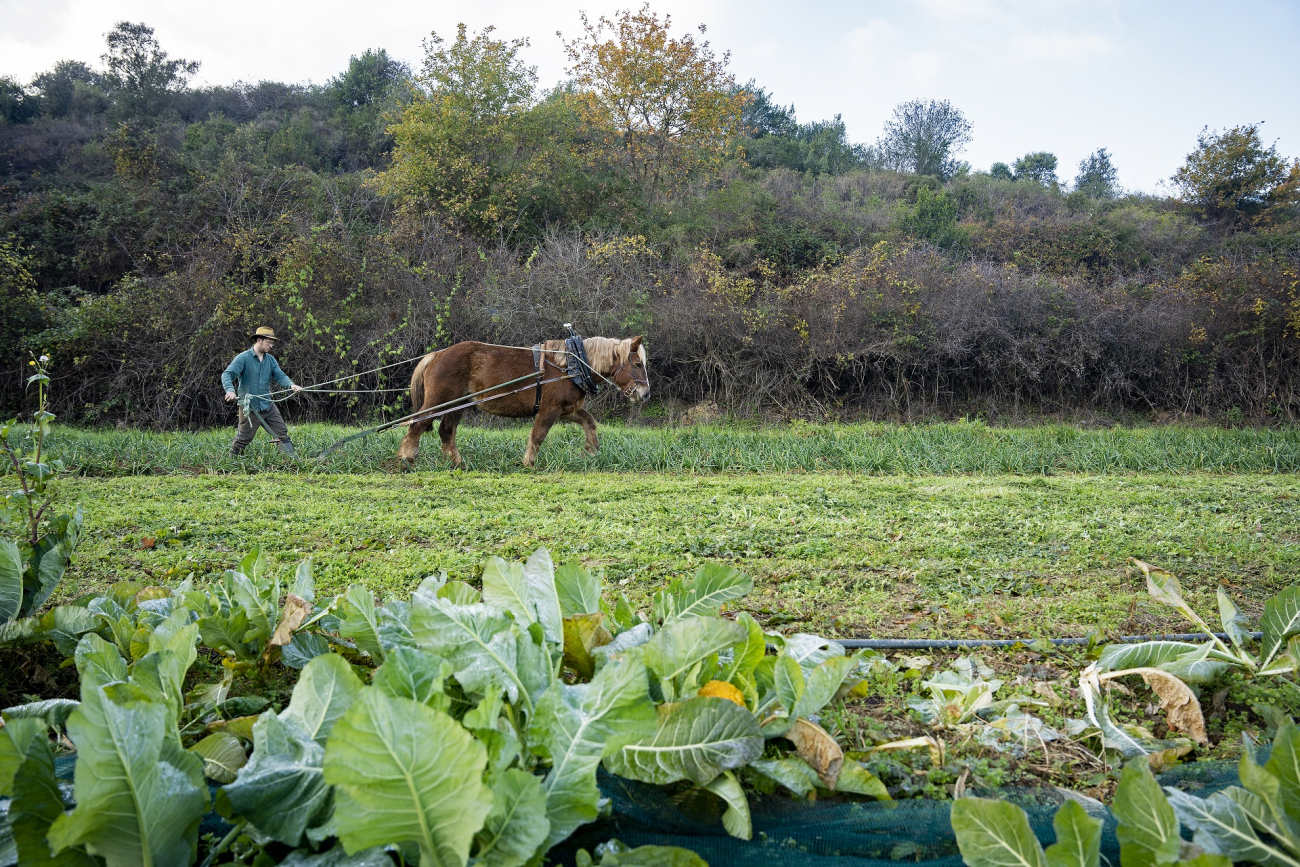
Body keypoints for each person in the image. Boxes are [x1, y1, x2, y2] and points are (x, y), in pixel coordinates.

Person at [222, 326, 303, 456]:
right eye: (268, 343)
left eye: (272, 343)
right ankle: (231, 460)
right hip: (250, 408)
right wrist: (230, 391)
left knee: (282, 433)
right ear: (259, 340)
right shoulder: (243, 358)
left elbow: (279, 376)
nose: (271, 346)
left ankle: (290, 461)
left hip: (267, 405)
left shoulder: (270, 360)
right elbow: (227, 374)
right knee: (243, 438)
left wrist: (291, 385)